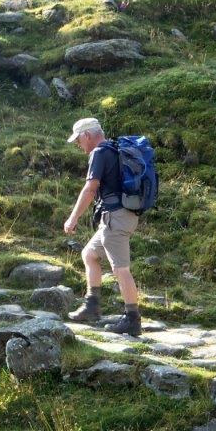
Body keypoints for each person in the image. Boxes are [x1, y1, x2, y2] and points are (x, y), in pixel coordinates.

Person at [63, 117, 143, 336]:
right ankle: (92, 306)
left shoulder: (99, 153)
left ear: (87, 135)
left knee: (121, 269)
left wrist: (73, 218)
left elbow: (90, 189)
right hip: (121, 215)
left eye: (78, 140)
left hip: (114, 218)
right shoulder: (115, 149)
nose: (79, 145)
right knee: (89, 254)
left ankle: (132, 319)